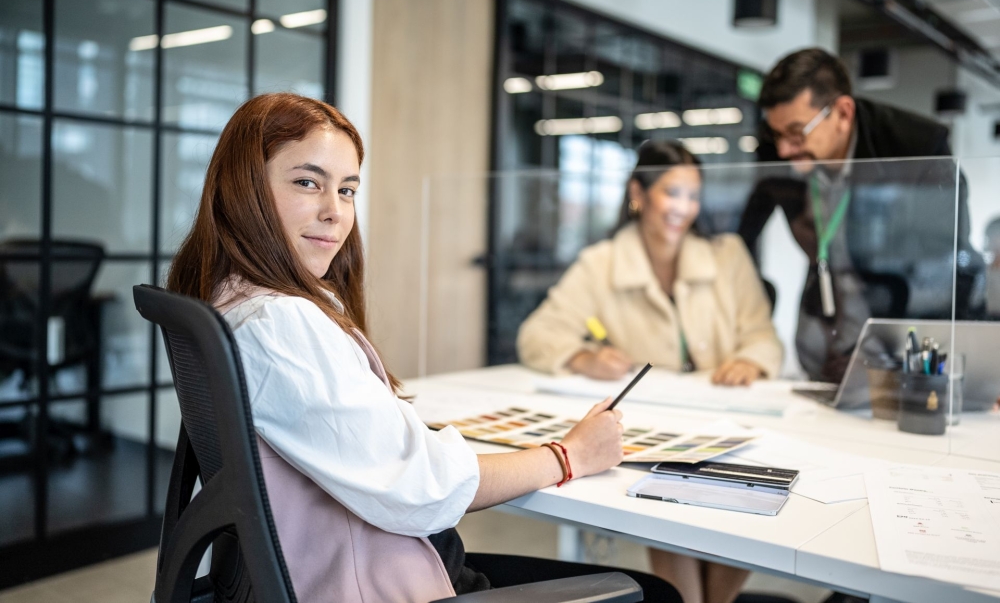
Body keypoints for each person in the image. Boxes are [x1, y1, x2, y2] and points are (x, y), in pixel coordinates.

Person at [165, 93, 680, 603]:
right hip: (377, 579)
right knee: (654, 594)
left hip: (339, 564)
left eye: (347, 191)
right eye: (307, 182)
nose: (334, 213)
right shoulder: (278, 322)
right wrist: (569, 455)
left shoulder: (229, 299)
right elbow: (423, 488)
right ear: (244, 190)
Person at [517, 140, 783, 603]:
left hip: (726, 424)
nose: (684, 207)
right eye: (672, 192)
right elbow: (537, 335)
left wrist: (750, 360)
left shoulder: (727, 256)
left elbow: (764, 337)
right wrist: (584, 357)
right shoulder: (601, 264)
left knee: (738, 512)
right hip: (657, 432)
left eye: (693, 195)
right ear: (638, 192)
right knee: (669, 510)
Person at [738, 48, 983, 384]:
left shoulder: (916, 148)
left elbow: (951, 266)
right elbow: (744, 232)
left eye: (796, 133)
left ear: (842, 112)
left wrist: (966, 371)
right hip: (820, 342)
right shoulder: (777, 149)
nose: (784, 150)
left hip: (894, 348)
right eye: (777, 135)